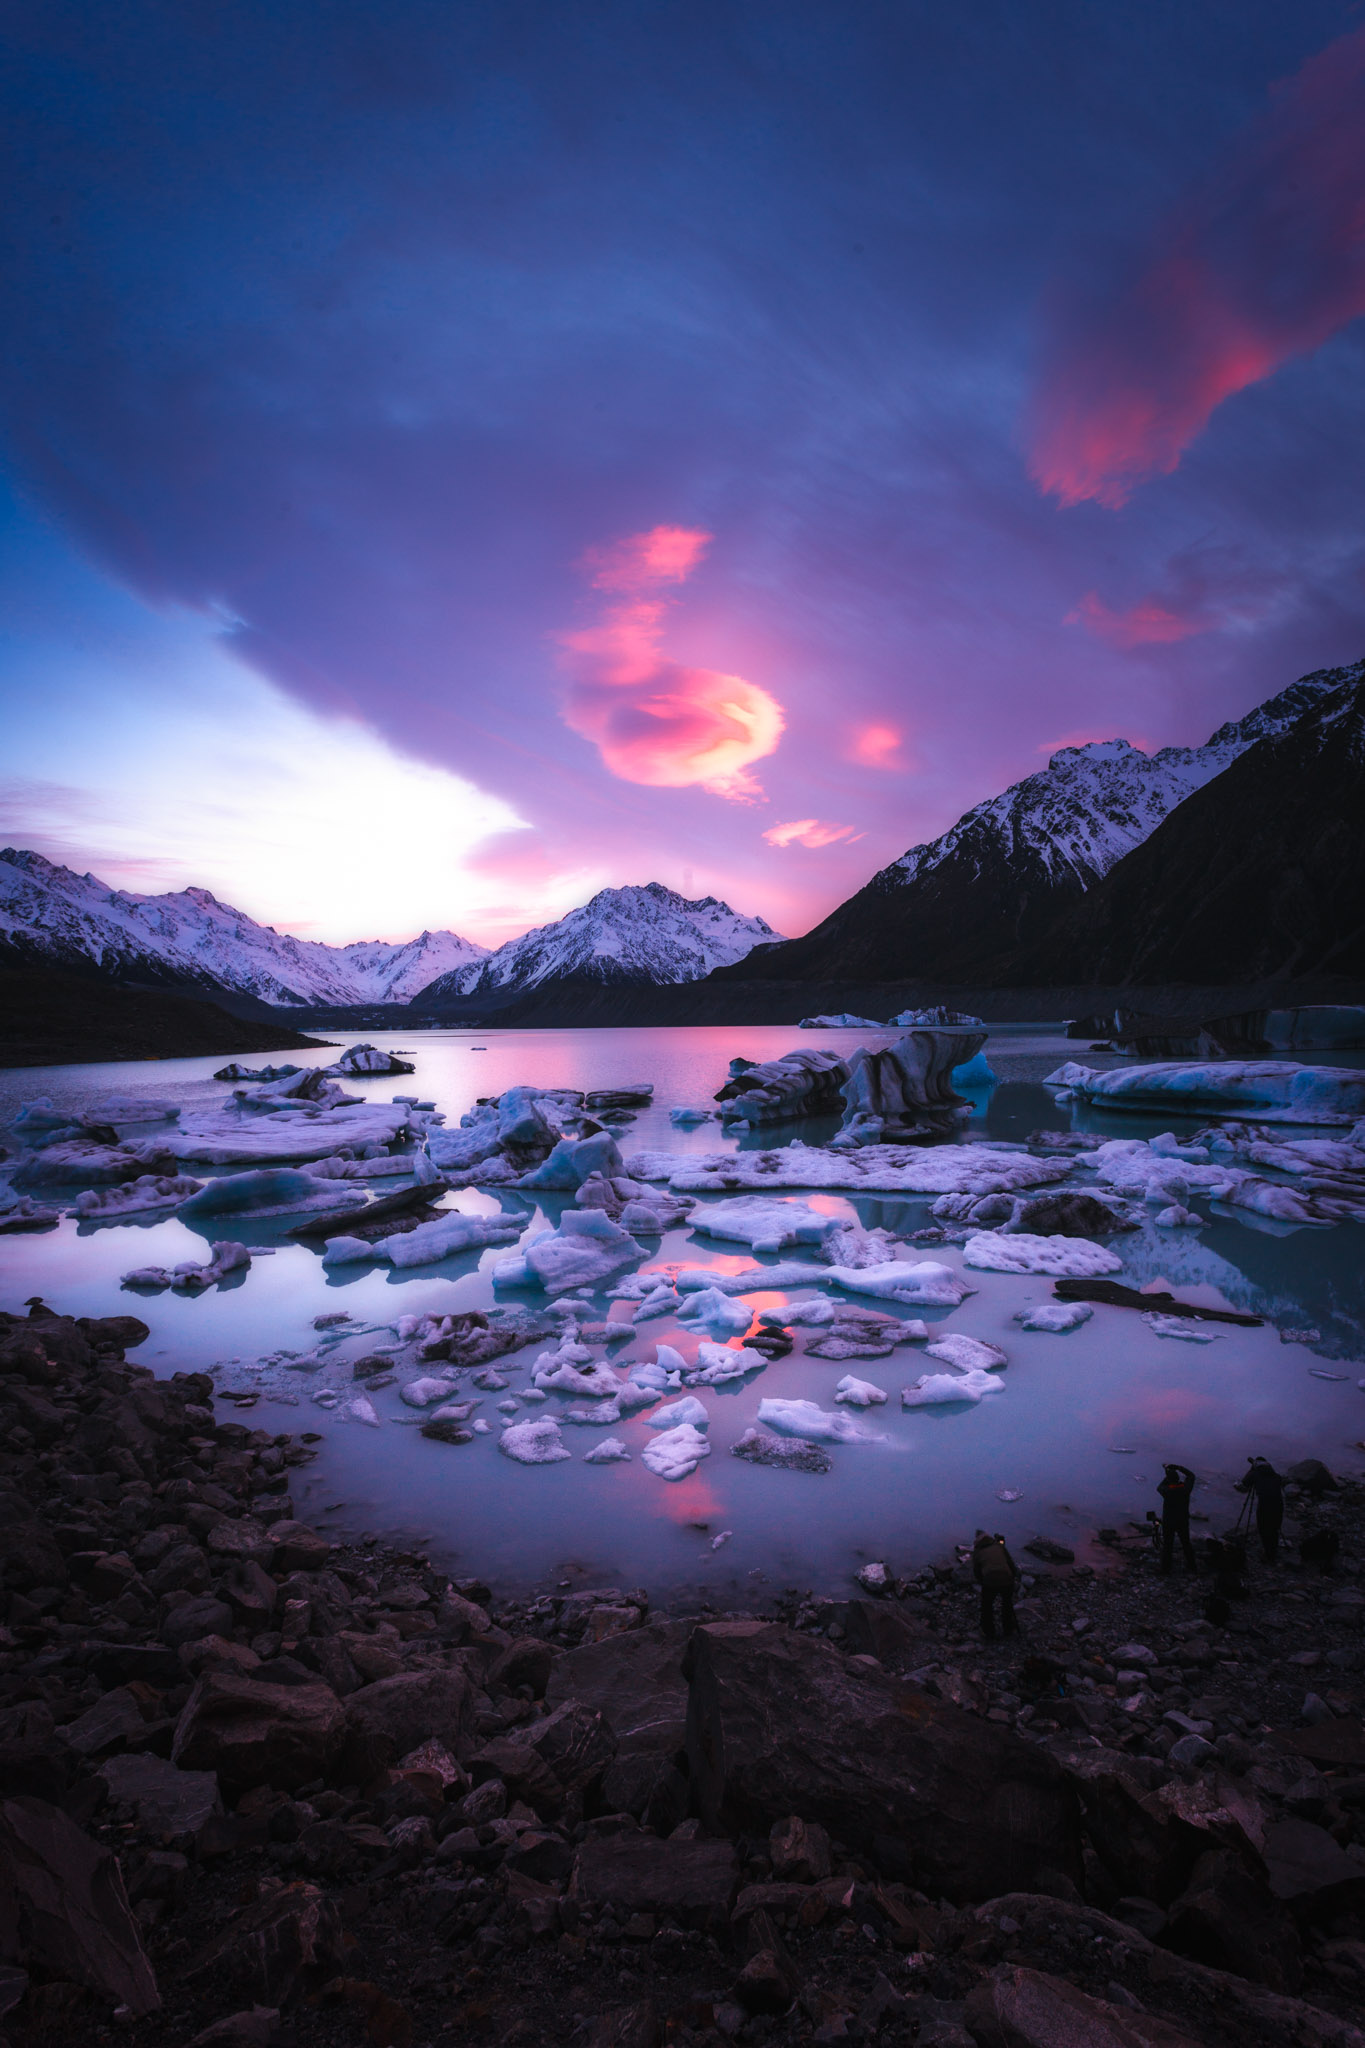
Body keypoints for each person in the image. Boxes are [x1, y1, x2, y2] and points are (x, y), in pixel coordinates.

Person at [972, 1528, 1020, 1638]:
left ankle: (989, 1631)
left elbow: (977, 1571)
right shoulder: (999, 1546)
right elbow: (1010, 1563)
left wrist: (982, 1581)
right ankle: (1008, 1629)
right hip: (1007, 1580)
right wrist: (1014, 1576)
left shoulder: (977, 1552)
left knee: (987, 1606)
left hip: (990, 1581)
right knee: (1007, 1605)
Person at [1237, 1456, 1286, 1563]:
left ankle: (1268, 1556)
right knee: (1274, 1528)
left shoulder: (1254, 1474)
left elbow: (1244, 1486)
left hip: (1265, 1505)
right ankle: (1272, 1552)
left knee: (1264, 1528)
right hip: (1279, 1505)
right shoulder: (1277, 1476)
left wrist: (1236, 1484)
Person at [1156, 1463, 1197, 1574]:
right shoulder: (1185, 1489)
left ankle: (1166, 1570)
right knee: (1186, 1543)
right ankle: (1192, 1566)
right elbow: (1191, 1476)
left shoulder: (1167, 1490)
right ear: (1178, 1478)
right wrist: (1178, 1467)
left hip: (1169, 1521)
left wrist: (1167, 1473)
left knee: (1168, 1545)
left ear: (1169, 1480)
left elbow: (1159, 1487)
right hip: (1182, 1520)